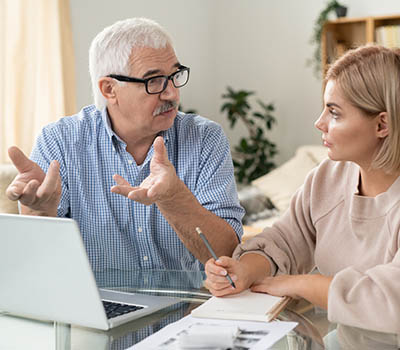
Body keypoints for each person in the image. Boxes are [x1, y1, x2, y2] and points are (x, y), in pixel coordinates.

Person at [5, 17, 244, 271]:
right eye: (153, 81)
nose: (172, 93)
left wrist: (175, 199)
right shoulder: (60, 142)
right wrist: (40, 213)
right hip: (94, 308)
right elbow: (37, 266)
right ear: (109, 89)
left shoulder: (205, 138)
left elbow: (227, 255)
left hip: (185, 308)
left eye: (175, 75)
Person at [204, 45, 400, 334]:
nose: (319, 123)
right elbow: (283, 241)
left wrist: (300, 283)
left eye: (334, 113)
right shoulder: (327, 178)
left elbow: (390, 300)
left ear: (382, 124)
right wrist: (245, 269)